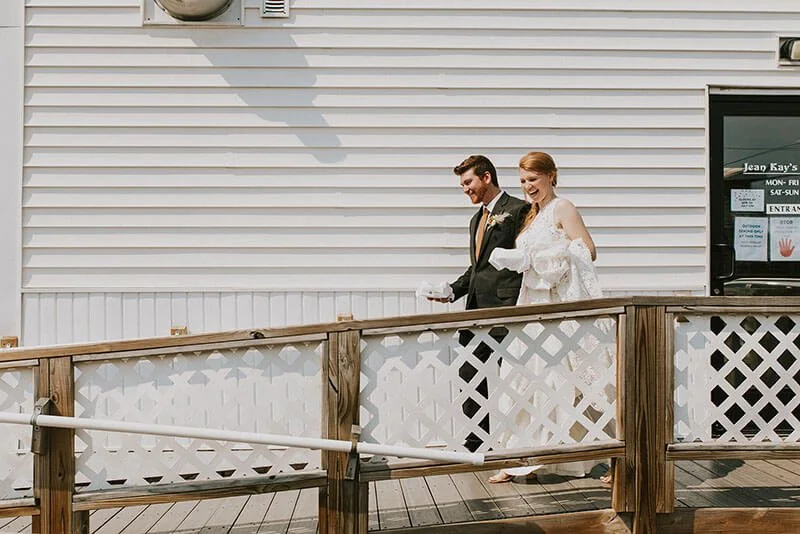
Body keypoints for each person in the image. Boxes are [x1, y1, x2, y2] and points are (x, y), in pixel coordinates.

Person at [485, 151, 612, 483]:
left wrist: (539, 259)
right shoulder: (531, 215)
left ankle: (612, 457)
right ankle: (516, 457)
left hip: (559, 310)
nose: (528, 187)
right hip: (533, 310)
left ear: (551, 176)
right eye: (524, 181)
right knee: (521, 377)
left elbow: (588, 249)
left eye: (534, 179)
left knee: (570, 380)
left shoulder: (562, 207)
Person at [427, 154, 530, 452]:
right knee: (469, 374)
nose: (465, 189)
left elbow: (524, 258)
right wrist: (451, 291)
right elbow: (477, 268)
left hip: (506, 309)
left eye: (468, 181)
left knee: (514, 378)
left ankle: (517, 442)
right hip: (476, 311)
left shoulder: (518, 210)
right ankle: (477, 441)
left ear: (486, 178)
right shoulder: (476, 219)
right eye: (462, 184)